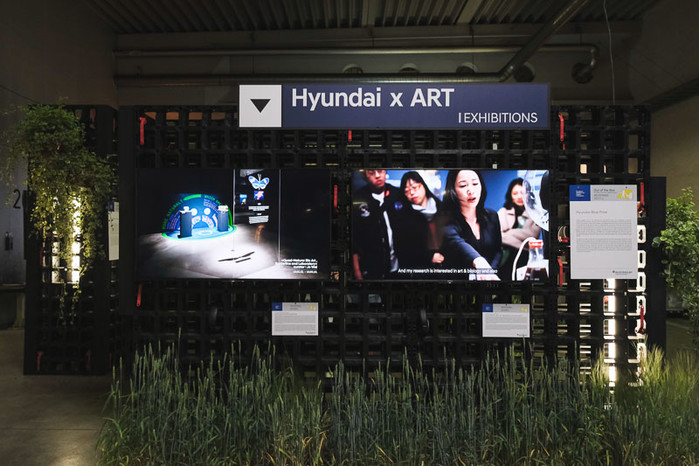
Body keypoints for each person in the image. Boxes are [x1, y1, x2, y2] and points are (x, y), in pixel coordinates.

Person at [441, 169, 502, 280]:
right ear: (453, 190)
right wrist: (479, 262)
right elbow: (456, 242)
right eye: (463, 185)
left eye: (475, 184)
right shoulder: (445, 219)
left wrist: (489, 273)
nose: (471, 190)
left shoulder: (492, 216)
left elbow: (498, 251)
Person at [352, 169, 402, 280]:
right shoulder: (358, 198)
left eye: (380, 171)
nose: (377, 176)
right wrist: (356, 270)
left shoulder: (397, 194)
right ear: (365, 176)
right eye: (371, 173)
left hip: (398, 268)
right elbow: (354, 239)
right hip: (371, 269)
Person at [392, 171, 445, 270]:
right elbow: (401, 250)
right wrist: (429, 257)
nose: (411, 193)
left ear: (423, 186)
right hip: (420, 270)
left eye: (415, 187)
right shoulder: (403, 217)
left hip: (447, 268)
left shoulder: (442, 209)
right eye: (407, 191)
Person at [497, 178, 542, 280]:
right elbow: (498, 236)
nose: (519, 196)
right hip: (504, 259)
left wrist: (508, 232)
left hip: (526, 259)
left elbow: (532, 236)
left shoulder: (536, 214)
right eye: (515, 193)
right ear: (510, 196)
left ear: (528, 194)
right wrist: (523, 246)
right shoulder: (503, 212)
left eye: (522, 192)